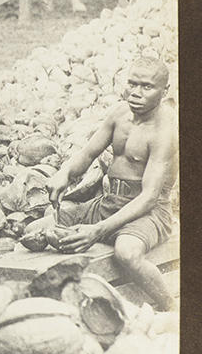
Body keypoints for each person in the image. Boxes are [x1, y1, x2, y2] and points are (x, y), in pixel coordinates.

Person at [45, 57, 178, 311]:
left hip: (148, 212)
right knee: (43, 226)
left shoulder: (165, 127)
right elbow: (86, 154)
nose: (136, 93)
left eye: (146, 87)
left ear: (164, 91)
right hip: (109, 203)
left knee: (126, 253)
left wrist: (98, 229)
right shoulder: (119, 113)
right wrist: (63, 172)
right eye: (132, 84)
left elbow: (149, 197)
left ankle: (172, 309)